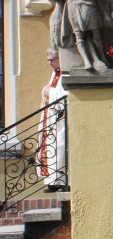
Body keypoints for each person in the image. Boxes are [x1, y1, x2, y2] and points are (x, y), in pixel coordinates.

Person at [38, 48, 68, 193]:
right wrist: (47, 90)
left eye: (52, 60)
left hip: (61, 118)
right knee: (51, 147)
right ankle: (52, 180)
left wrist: (50, 92)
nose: (49, 63)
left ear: (60, 57)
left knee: (60, 147)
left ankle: (60, 180)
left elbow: (66, 94)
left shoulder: (67, 71)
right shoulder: (55, 73)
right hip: (51, 118)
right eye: (48, 60)